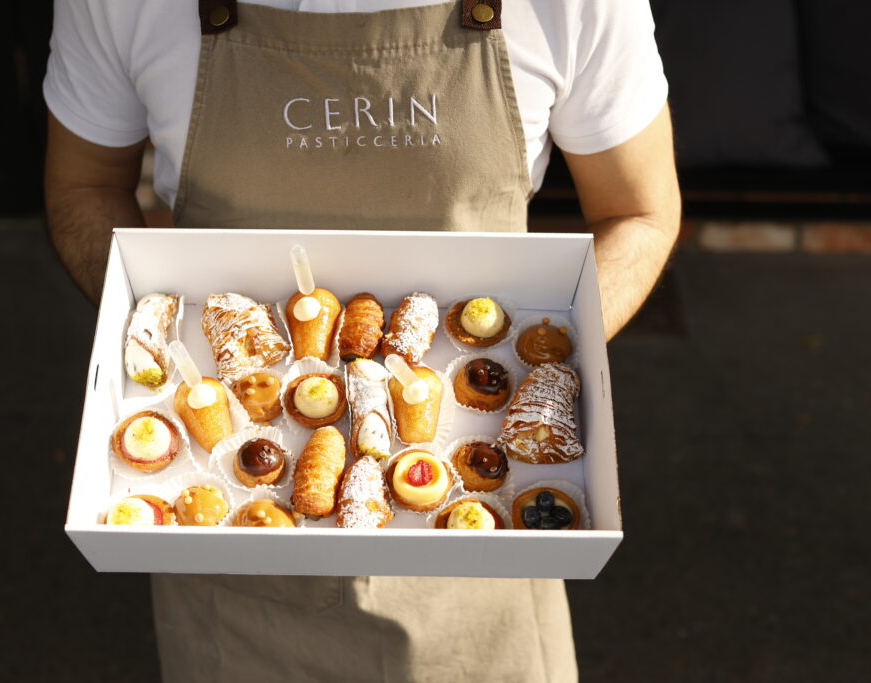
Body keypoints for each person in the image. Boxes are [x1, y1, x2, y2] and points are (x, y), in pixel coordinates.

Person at [43, 1, 680, 681]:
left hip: (486, 578)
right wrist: (142, 340)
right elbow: (85, 185)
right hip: (229, 569)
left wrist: (543, 379)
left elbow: (639, 211)